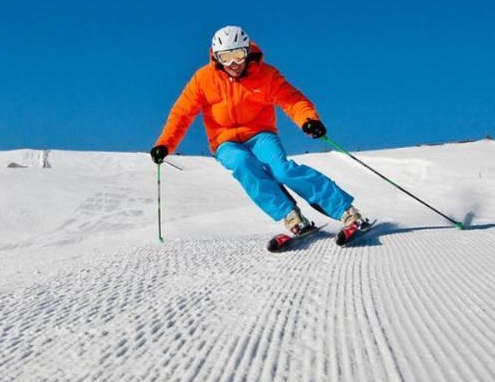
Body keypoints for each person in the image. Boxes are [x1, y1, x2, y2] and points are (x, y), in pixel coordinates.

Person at [150, 25, 366, 238]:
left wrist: (308, 120)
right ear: (216, 57)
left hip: (260, 134)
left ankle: (345, 211)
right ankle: (290, 216)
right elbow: (182, 113)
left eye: (238, 54)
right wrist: (165, 144)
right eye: (226, 57)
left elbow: (292, 100)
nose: (233, 63)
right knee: (242, 164)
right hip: (225, 141)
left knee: (282, 170)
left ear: (247, 51)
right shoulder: (203, 79)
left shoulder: (266, 74)